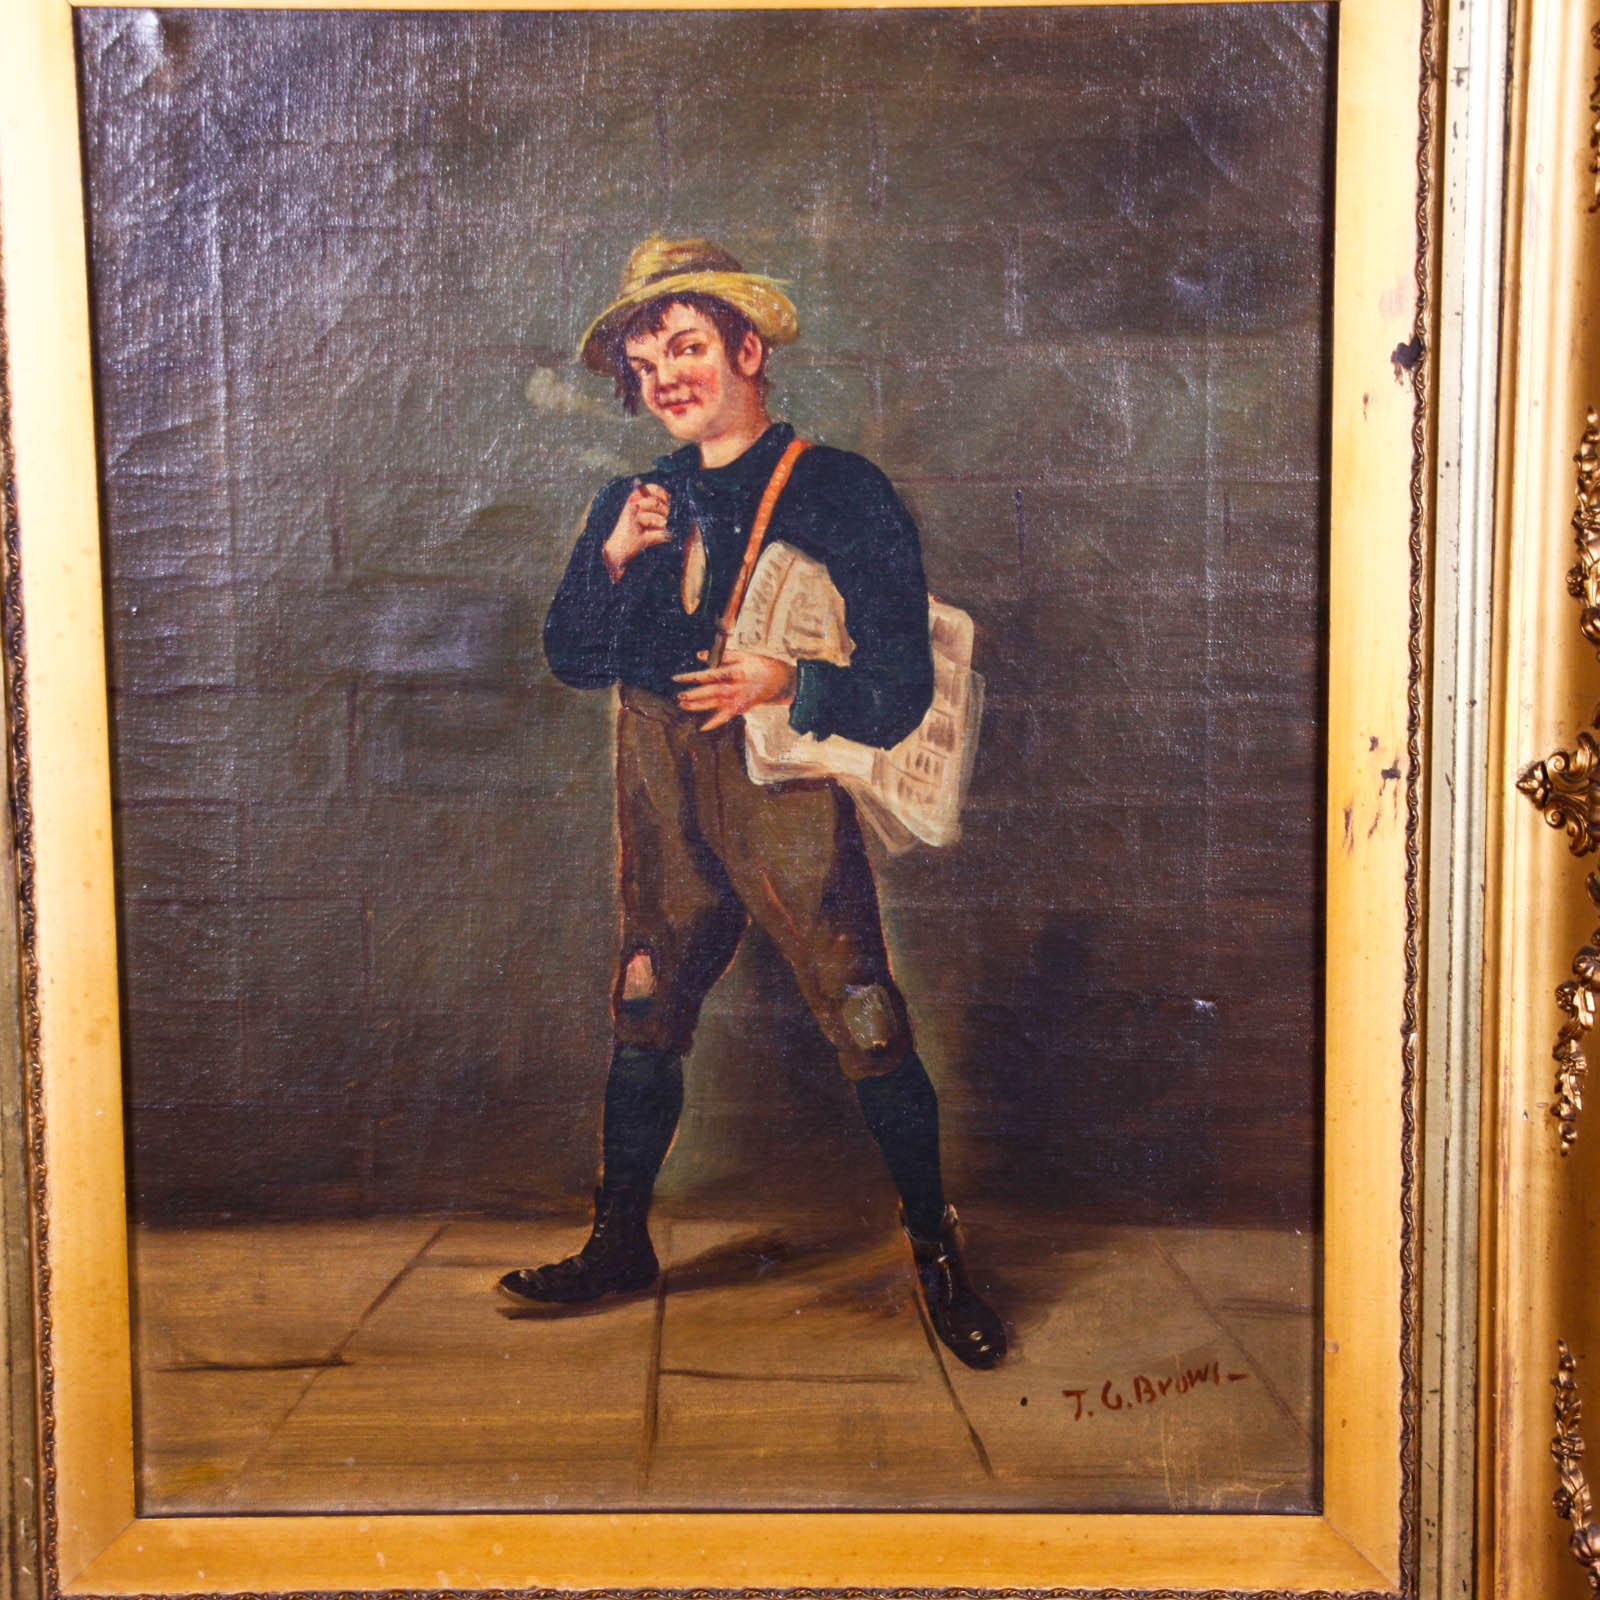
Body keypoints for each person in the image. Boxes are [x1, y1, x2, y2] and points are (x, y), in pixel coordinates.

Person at [499, 236, 1005, 1369]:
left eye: (684, 347)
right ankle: (618, 1242)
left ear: (745, 348)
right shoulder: (632, 498)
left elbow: (900, 689)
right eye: (642, 363)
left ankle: (939, 1257)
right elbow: (575, 657)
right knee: (643, 999)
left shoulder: (839, 488)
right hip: (657, 777)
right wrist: (614, 560)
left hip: (776, 781)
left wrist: (792, 679)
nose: (664, 377)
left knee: (862, 1010)